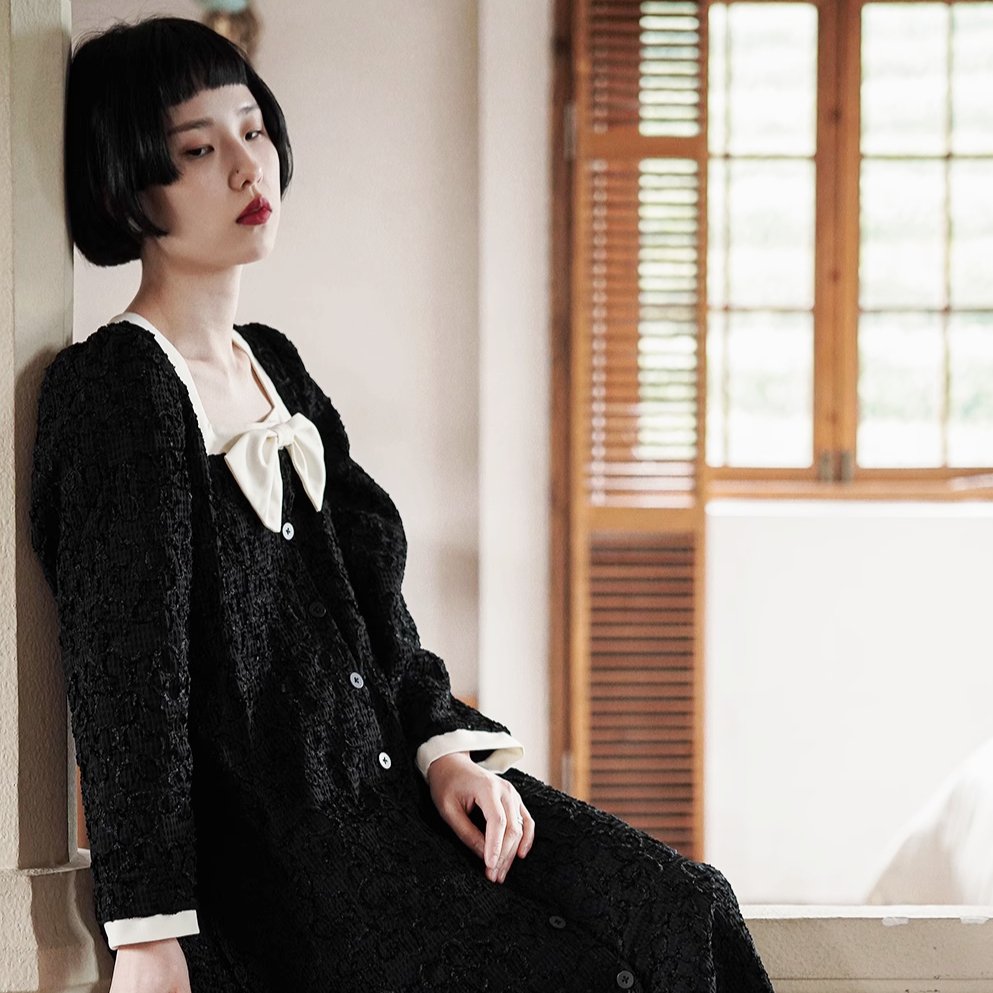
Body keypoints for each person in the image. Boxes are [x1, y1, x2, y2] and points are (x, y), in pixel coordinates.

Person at [29, 15, 775, 993]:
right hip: (290, 864)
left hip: (394, 796)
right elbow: (129, 683)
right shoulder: (117, 390)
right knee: (576, 972)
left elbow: (373, 602)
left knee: (684, 903)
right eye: (199, 151)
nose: (249, 169)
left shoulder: (276, 367)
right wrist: (150, 932)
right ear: (127, 187)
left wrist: (443, 753)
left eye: (253, 130)